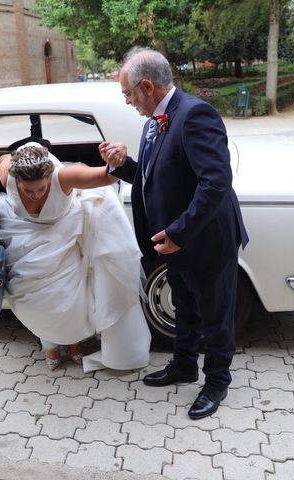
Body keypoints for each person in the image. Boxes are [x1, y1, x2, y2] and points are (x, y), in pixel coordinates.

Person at [99, 47, 248, 420]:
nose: (128, 101)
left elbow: (215, 184)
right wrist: (123, 165)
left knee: (216, 313)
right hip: (175, 240)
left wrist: (179, 232)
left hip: (206, 238)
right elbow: (155, 178)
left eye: (128, 94)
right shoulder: (155, 120)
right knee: (184, 305)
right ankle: (184, 365)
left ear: (147, 86)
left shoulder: (196, 114)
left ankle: (217, 381)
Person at [0, 142, 151, 372]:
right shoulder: (7, 173)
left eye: (41, 188)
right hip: (23, 241)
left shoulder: (63, 177)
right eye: (27, 190)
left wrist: (119, 160)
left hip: (62, 238)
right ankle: (49, 344)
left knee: (71, 297)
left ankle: (74, 342)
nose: (35, 195)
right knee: (37, 302)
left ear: (50, 176)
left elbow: (108, 177)